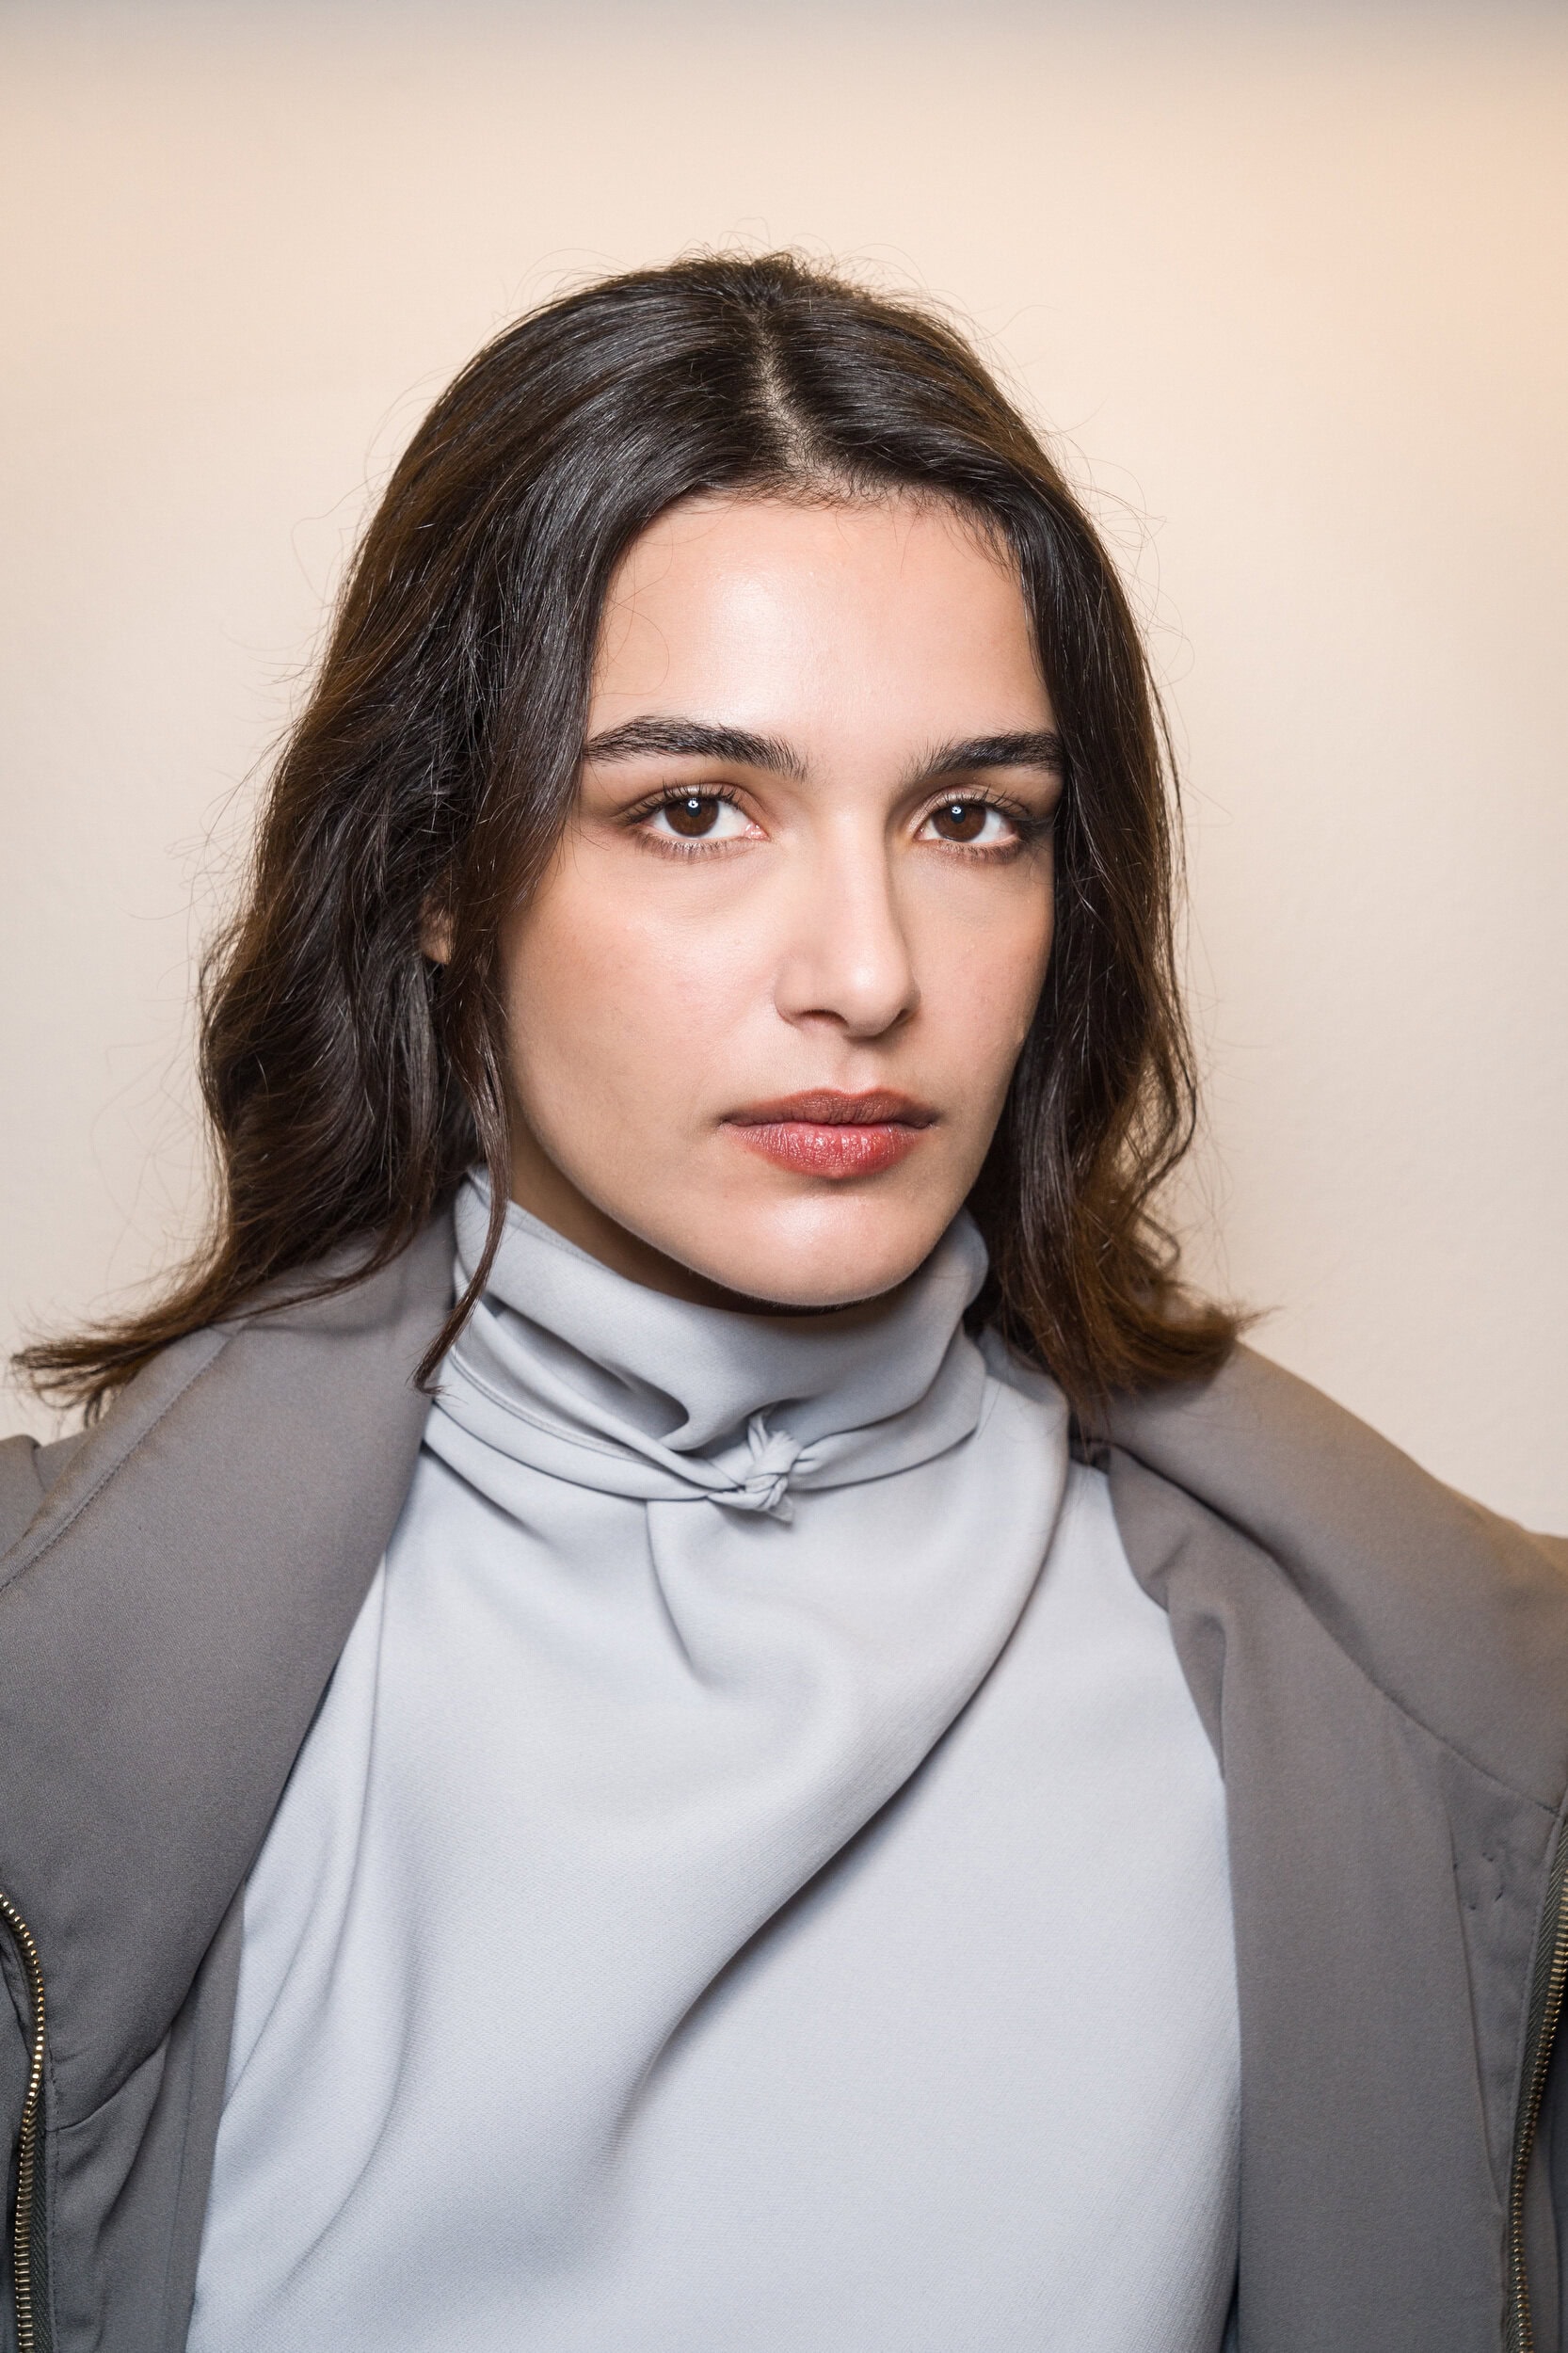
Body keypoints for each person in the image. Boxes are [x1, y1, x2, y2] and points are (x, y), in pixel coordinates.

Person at [1, 252, 1563, 2353]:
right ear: (438, 870)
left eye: (971, 819)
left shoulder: (1429, 1704)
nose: (867, 971)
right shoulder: (74, 1663)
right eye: (693, 810)